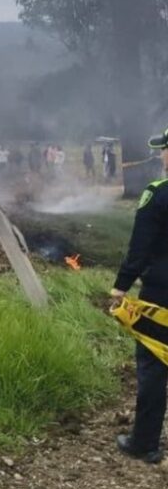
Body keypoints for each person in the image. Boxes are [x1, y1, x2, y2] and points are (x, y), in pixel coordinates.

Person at [111, 127, 168, 464]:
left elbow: (140, 247)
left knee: (153, 363)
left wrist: (121, 284)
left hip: (161, 294)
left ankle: (145, 442)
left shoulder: (158, 193)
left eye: (164, 149)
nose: (161, 155)